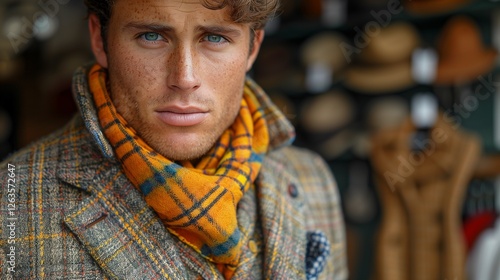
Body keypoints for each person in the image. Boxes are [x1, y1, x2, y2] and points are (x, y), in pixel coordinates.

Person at [0, 0, 347, 279]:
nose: (185, 77)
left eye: (214, 37)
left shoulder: (312, 179)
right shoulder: (9, 204)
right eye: (152, 36)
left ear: (252, 47)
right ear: (99, 39)